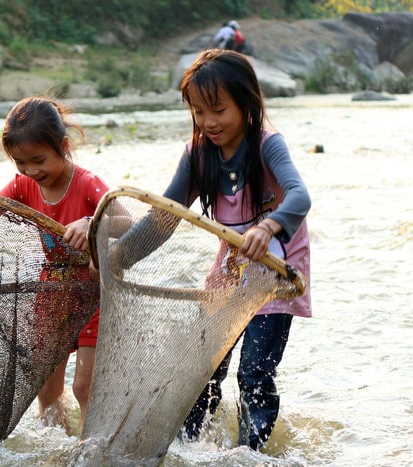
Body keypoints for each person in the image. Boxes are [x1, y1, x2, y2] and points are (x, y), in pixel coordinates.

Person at [165, 49, 312, 450]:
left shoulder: (267, 145)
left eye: (218, 110)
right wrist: (113, 248)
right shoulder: (198, 153)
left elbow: (300, 196)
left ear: (246, 104)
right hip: (230, 271)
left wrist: (268, 226)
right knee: (204, 366)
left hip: (275, 273)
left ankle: (251, 453)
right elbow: (165, 215)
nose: (208, 122)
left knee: (253, 373)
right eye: (198, 112)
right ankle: (189, 448)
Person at [0, 96, 110, 432]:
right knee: (46, 389)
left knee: (85, 387)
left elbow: (123, 219)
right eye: (20, 163)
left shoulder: (87, 184)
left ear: (63, 146)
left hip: (94, 294)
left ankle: (89, 448)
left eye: (38, 160)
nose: (31, 171)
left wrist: (92, 222)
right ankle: (52, 445)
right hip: (50, 295)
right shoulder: (24, 184)